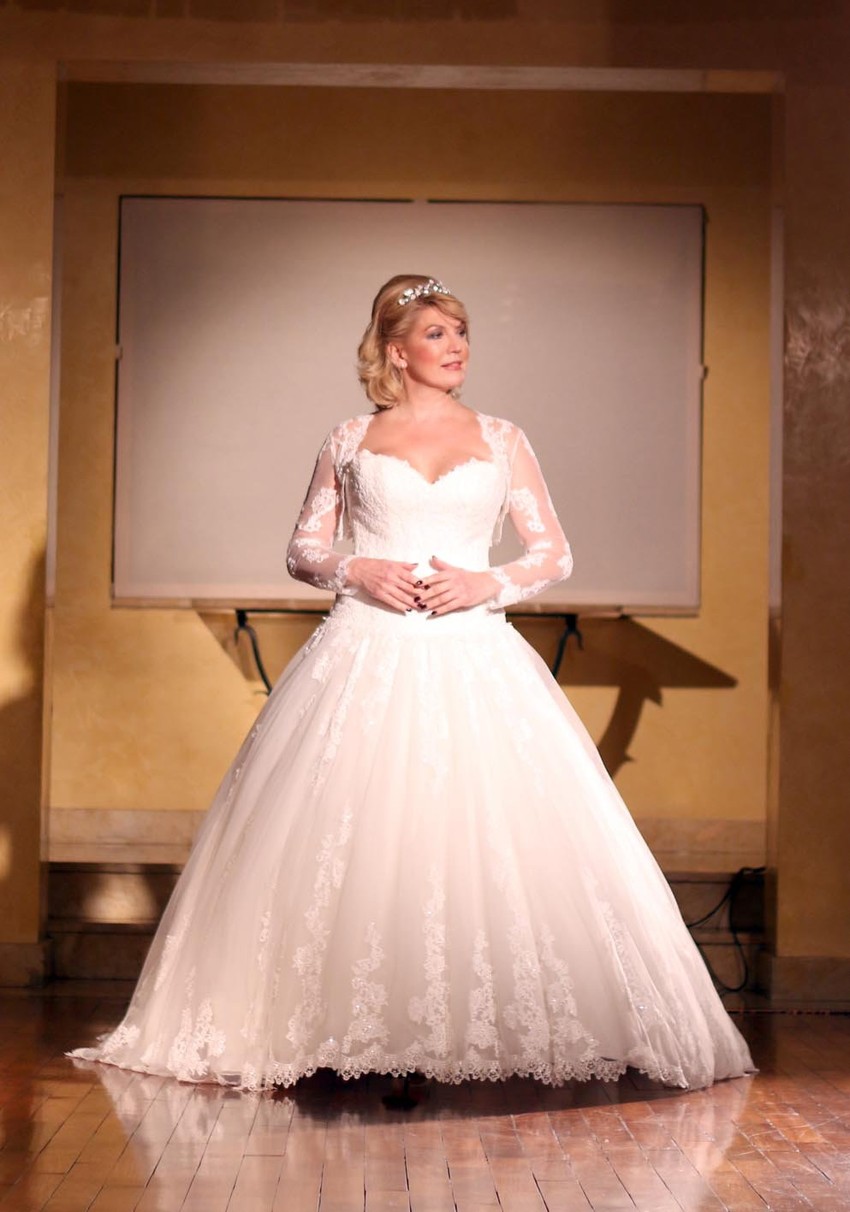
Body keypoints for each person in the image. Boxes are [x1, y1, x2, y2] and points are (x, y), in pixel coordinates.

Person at [69, 274, 754, 1093]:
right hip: (366, 651)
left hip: (474, 653)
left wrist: (485, 582)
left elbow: (553, 553)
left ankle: (485, 1028)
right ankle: (344, 1028)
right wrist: (359, 568)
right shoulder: (349, 438)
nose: (456, 346)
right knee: (354, 835)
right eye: (437, 333)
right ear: (395, 351)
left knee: (484, 834)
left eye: (461, 332)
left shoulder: (503, 438)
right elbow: (302, 550)